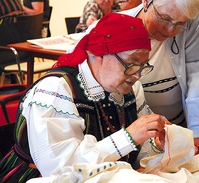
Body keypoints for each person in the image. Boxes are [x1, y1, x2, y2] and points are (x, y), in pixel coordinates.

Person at [0, 13, 173, 182]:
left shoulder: (131, 88)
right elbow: (59, 170)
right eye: (132, 63)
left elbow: (135, 155)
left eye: (143, 65)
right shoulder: (55, 91)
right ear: (99, 55)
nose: (137, 75)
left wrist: (155, 144)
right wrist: (128, 137)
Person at [84, 0, 199, 158]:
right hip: (128, 133)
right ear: (146, 1)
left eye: (180, 24)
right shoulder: (112, 28)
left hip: (170, 130)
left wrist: (198, 130)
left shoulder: (193, 20)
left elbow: (196, 75)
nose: (171, 30)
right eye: (164, 18)